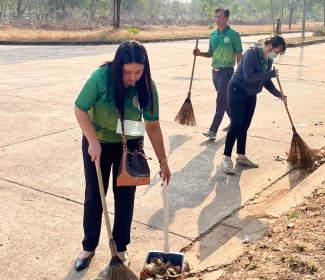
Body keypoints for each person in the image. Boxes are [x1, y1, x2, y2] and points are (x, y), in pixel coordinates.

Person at [73, 41, 171, 271]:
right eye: (127, 72)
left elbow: (153, 125)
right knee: (95, 195)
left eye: (138, 71)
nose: (132, 77)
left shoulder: (147, 85)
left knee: (125, 198)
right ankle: (89, 246)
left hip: (130, 143)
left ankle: (120, 248)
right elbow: (80, 109)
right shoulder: (101, 77)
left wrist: (163, 161)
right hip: (98, 142)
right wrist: (93, 141)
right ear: (118, 66)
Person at [221, 35, 287, 175]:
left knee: (245, 125)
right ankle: (226, 159)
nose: (276, 55)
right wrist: (269, 74)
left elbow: (266, 81)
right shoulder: (251, 53)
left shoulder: (267, 59)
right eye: (277, 51)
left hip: (251, 93)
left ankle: (241, 157)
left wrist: (279, 94)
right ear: (269, 46)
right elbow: (248, 76)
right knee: (236, 124)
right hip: (237, 90)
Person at [193, 8, 243, 140]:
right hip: (215, 73)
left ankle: (213, 131)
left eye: (220, 17)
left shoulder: (234, 35)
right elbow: (211, 53)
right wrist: (200, 54)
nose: (217, 19)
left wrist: (240, 75)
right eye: (215, 17)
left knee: (220, 101)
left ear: (227, 18)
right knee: (225, 100)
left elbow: (239, 57)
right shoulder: (213, 35)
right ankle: (236, 122)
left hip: (227, 72)